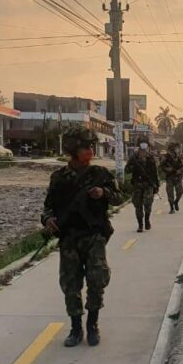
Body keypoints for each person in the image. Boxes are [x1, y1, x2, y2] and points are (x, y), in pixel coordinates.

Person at [41, 128, 123, 347]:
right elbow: (48, 207)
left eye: (91, 147)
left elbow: (118, 198)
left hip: (94, 236)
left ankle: (93, 324)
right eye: (86, 147)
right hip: (69, 238)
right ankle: (76, 328)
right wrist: (48, 220)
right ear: (73, 150)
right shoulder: (59, 177)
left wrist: (103, 193)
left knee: (97, 280)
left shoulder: (101, 174)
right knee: (71, 284)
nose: (90, 151)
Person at [125, 139, 160, 232]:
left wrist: (157, 184)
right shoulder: (134, 158)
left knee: (148, 204)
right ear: (139, 146)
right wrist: (133, 167)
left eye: (145, 145)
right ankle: (140, 225)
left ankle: (147, 219)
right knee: (138, 205)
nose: (144, 146)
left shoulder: (151, 157)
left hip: (148, 184)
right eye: (142, 144)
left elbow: (155, 172)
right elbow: (127, 170)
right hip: (137, 184)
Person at [160, 142, 183, 214]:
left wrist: (180, 171)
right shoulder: (166, 157)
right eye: (176, 148)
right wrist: (169, 169)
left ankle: (176, 202)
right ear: (172, 149)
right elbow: (162, 166)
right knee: (170, 193)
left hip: (178, 177)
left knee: (180, 191)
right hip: (170, 177)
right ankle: (172, 208)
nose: (177, 149)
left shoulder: (179, 157)